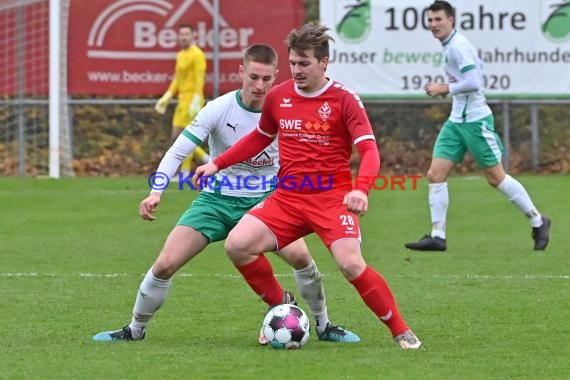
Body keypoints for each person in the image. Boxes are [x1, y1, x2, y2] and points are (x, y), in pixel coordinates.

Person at [93, 43, 359, 344]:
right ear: (241, 72)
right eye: (253, 77)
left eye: (266, 79)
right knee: (166, 263)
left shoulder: (288, 108)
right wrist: (156, 192)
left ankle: (324, 326)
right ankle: (134, 329)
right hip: (217, 199)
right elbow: (178, 150)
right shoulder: (219, 109)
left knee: (299, 256)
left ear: (276, 76)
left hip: (270, 199)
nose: (259, 86)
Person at [194, 24, 422, 349]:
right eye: (293, 63)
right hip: (287, 198)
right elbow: (260, 137)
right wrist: (218, 163)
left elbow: (369, 150)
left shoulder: (344, 100)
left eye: (305, 63)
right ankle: (280, 302)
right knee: (237, 245)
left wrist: (362, 189)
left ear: (324, 63)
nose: (297, 71)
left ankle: (401, 331)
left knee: (350, 263)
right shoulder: (279, 96)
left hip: (332, 199)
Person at [405, 0, 551, 252]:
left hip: (475, 121)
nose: (433, 24)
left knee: (496, 178)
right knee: (435, 175)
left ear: (451, 20)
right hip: (456, 121)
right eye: (430, 20)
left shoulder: (458, 47)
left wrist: (444, 88)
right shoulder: (451, 45)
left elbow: (475, 81)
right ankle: (438, 236)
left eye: (438, 19)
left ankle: (538, 221)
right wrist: (449, 90)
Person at [155, 23, 209, 177]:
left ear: (193, 36)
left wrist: (197, 99)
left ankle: (186, 172)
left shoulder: (197, 54)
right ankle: (206, 160)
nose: (184, 37)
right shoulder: (180, 55)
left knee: (186, 136)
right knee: (176, 136)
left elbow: (200, 79)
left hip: (193, 100)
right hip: (182, 100)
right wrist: (167, 96)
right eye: (181, 34)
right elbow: (177, 79)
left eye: (187, 34)